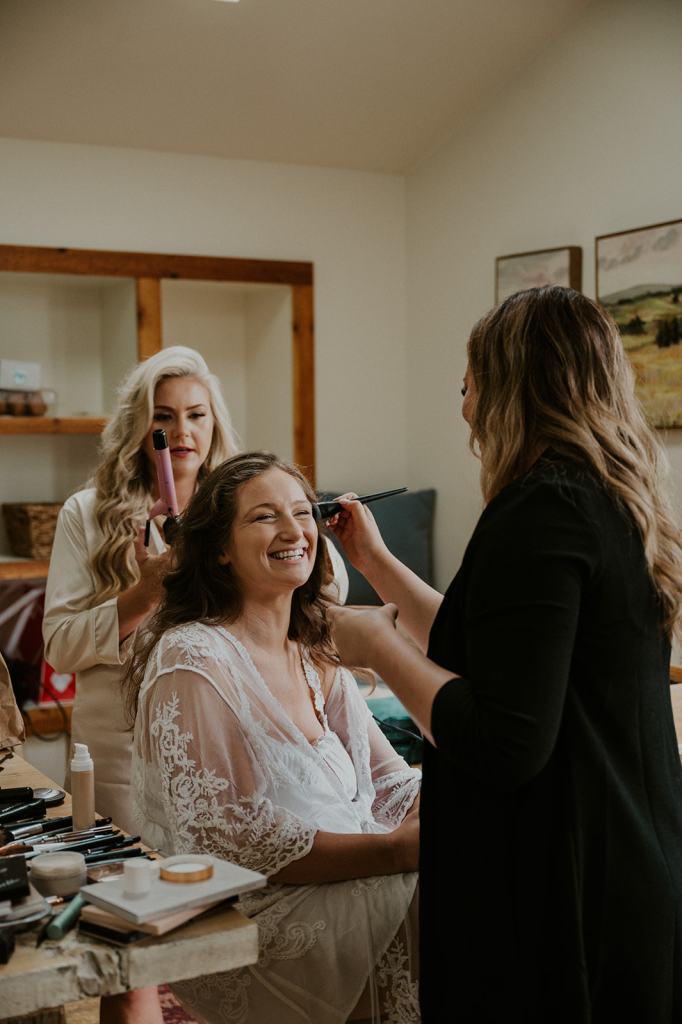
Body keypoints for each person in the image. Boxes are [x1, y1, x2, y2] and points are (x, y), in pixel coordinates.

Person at [327, 286, 682, 1024]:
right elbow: (489, 645)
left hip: (560, 884)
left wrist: (374, 644)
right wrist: (379, 562)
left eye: (471, 382)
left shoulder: (543, 509)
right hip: (623, 851)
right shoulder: (604, 498)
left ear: (514, 384)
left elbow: (504, 740)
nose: (465, 407)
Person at [127, 452, 421, 1024]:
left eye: (302, 512)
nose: (293, 532)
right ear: (218, 548)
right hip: (261, 914)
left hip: (353, 873)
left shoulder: (313, 646)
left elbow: (391, 784)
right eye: (264, 518)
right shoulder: (195, 657)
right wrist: (394, 850)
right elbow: (229, 839)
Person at [42, 346, 349, 835]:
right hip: (120, 753)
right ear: (140, 425)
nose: (182, 432)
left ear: (214, 425)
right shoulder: (86, 514)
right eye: (164, 416)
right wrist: (144, 594)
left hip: (231, 740)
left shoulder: (242, 509)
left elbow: (326, 593)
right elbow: (60, 647)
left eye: (196, 415)